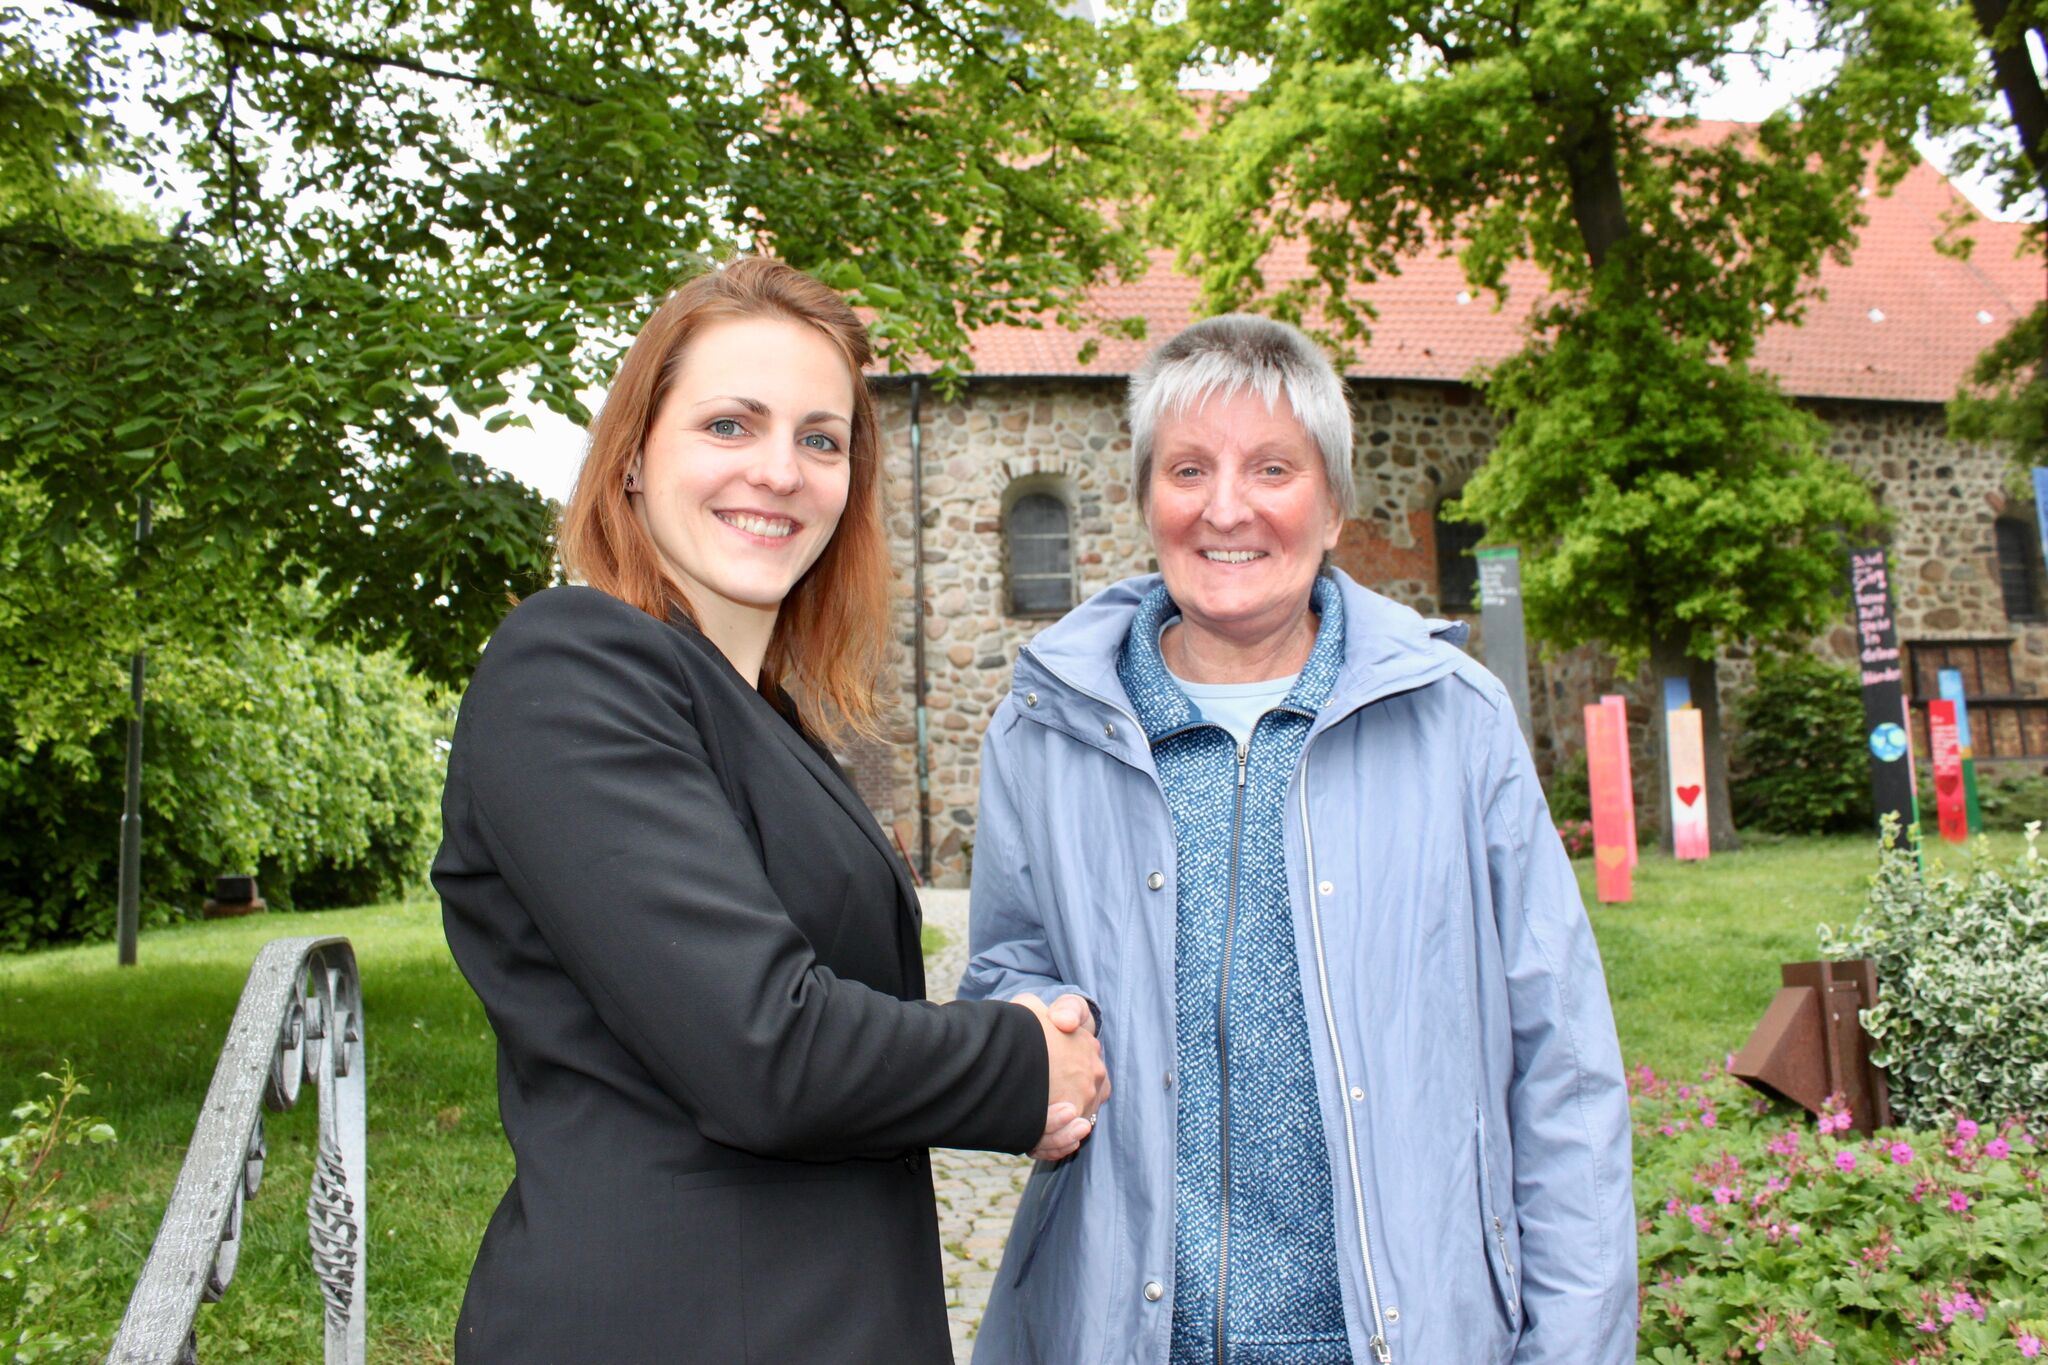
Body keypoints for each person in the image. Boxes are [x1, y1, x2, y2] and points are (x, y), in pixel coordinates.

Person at [434, 257, 1107, 1364]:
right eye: (730, 425)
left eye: (819, 439)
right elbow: (762, 1048)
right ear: (637, 458)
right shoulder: (569, 666)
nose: (779, 472)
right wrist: (1021, 1066)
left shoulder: (762, 716)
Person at [960, 314, 1635, 1364]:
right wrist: (1023, 1029)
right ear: (1146, 500)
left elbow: (1560, 1062)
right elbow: (1004, 967)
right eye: (1188, 468)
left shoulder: (1454, 717)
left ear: (1330, 507)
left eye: (1271, 467)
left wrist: (1574, 1347)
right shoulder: (1045, 727)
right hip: (1125, 1333)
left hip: (1405, 1335)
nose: (1224, 507)